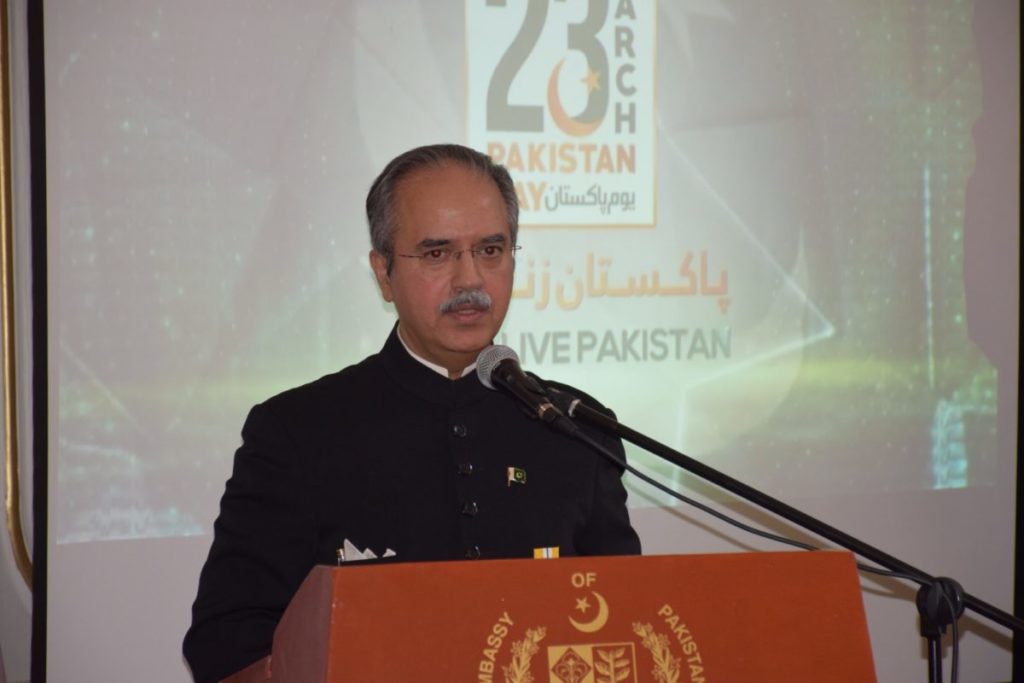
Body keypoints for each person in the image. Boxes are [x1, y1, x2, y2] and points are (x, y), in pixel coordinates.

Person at [182, 144, 640, 682]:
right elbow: (227, 641)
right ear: (383, 272)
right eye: (437, 253)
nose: (470, 280)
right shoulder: (297, 432)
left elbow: (627, 620)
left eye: (491, 249)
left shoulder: (576, 428)